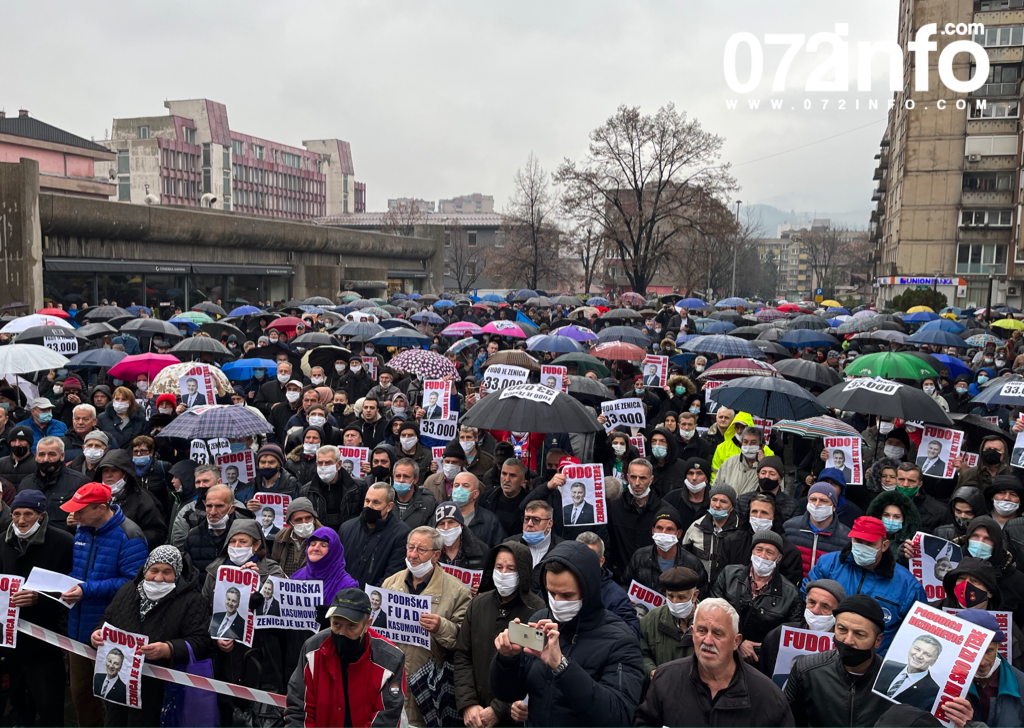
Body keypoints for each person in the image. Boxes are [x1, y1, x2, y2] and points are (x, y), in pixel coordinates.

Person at [491, 541, 645, 727]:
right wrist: (507, 660)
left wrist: (562, 666)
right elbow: (508, 692)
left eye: (567, 595)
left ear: (588, 591)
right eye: (551, 593)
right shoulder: (541, 620)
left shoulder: (621, 641)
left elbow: (619, 716)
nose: (557, 602)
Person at [89, 545, 210, 727]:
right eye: (154, 570)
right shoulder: (128, 590)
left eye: (167, 572)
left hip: (159, 692)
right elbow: (107, 619)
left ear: (177, 573)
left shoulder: (192, 600)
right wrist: (97, 634)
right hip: (120, 688)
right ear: (146, 569)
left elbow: (201, 641)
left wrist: (169, 649)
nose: (159, 577)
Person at [61, 482, 149, 728]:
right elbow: (81, 571)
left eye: (81, 510)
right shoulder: (83, 530)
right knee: (81, 696)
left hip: (108, 631)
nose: (75, 515)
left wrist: (86, 590)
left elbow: (132, 584)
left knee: (110, 701)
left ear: (100, 509)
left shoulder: (130, 536)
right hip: (78, 628)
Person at [634, 597, 794, 727]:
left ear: (736, 641)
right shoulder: (665, 679)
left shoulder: (769, 698)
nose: (708, 640)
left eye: (718, 633)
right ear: (692, 633)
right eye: (701, 631)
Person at [382, 526, 471, 727]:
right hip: (390, 683)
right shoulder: (390, 584)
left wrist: (441, 626)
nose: (413, 555)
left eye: (421, 550)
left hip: (428, 688)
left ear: (436, 555)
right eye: (410, 548)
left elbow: (464, 642)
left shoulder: (457, 591)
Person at [1, 489, 74, 727]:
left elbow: (72, 589)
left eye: (28, 514)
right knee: (17, 699)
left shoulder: (63, 543)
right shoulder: (2, 541)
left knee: (48, 701)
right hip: (10, 636)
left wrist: (40, 598)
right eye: (16, 514)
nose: (21, 520)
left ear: (41, 516)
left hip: (45, 637)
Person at [284, 588, 407, 728]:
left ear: (367, 624)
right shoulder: (312, 650)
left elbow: (386, 718)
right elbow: (298, 708)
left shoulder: (390, 660)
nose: (342, 633)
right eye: (336, 624)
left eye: (351, 626)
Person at [805, 516, 928, 653]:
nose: (862, 548)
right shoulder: (828, 565)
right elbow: (806, 598)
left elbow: (917, 633)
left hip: (874, 660)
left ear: (884, 545)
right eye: (858, 541)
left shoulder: (908, 586)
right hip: (824, 653)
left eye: (869, 544)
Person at [453, 542, 544, 727]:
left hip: (515, 718)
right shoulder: (478, 604)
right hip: (475, 715)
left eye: (511, 568)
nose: (503, 573)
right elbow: (463, 655)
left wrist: (499, 709)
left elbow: (536, 670)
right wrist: (468, 704)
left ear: (523, 571)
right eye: (499, 567)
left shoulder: (538, 611)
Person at [783, 594, 894, 727]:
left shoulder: (894, 681)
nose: (848, 640)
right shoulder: (806, 671)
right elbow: (788, 721)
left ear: (877, 641)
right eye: (842, 630)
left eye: (859, 634)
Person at [710, 530, 804, 665]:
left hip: (761, 661)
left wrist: (761, 648)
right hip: (724, 652)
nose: (763, 556)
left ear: (778, 558)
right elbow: (713, 612)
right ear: (752, 552)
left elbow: (789, 638)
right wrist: (739, 642)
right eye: (759, 550)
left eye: (769, 552)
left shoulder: (791, 594)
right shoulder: (728, 575)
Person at [758, 578, 846, 680]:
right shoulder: (780, 634)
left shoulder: (844, 644)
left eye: (825, 606)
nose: (815, 610)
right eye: (812, 602)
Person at [337, 482, 411, 587]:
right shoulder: (347, 528)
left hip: (377, 595)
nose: (369, 506)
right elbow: (337, 565)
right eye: (367, 501)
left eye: (376, 502)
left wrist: (372, 594)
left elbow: (393, 575)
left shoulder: (401, 534)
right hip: (344, 593)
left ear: (389, 506)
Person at [625, 504, 708, 596]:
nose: (664, 533)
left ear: (679, 533)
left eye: (670, 529)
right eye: (659, 528)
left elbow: (702, 594)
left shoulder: (692, 564)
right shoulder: (639, 557)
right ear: (653, 530)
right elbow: (625, 584)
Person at [961, 608, 1022, 726]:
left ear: (999, 645)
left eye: (988, 651)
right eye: (973, 653)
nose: (982, 662)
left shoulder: (1021, 685)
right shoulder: (939, 686)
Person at [576, 531, 642, 638]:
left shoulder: (617, 597)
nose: (583, 562)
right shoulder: (559, 584)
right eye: (579, 556)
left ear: (601, 561)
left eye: (590, 558)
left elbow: (631, 634)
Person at [639, 566, 701, 678]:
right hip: (661, 684)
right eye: (670, 596)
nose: (674, 602)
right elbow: (641, 652)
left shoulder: (708, 621)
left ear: (694, 595)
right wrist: (651, 671)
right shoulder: (652, 620)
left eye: (681, 597)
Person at [19, 435, 89, 531]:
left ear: (62, 456)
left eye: (52, 454)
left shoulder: (79, 482)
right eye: (41, 454)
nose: (46, 459)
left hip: (65, 538)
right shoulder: (26, 483)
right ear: (36, 456)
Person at [680, 482, 745, 585]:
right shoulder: (696, 527)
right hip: (699, 586)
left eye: (723, 501)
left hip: (728, 589)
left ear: (732, 507)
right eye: (714, 500)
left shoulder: (740, 531)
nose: (717, 505)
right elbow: (683, 558)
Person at [783, 482, 851, 578]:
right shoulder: (789, 528)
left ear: (834, 506)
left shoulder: (846, 537)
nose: (817, 504)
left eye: (823, 501)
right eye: (813, 499)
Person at [291, 527, 359, 605]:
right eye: (312, 544)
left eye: (323, 545)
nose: (316, 548)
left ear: (333, 551)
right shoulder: (296, 577)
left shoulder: (347, 586)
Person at [876, 635, 943, 710]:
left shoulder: (933, 691)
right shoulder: (887, 666)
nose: (919, 656)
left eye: (927, 654)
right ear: (910, 649)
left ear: (933, 661)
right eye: (917, 649)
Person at [433, 501, 488, 583]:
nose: (446, 527)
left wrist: (481, 588)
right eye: (441, 523)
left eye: (451, 522)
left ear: (461, 525)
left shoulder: (482, 550)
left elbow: (489, 582)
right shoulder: (428, 550)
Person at [450, 471, 505, 547]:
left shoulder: (490, 521)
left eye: (465, 486)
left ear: (475, 494)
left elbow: (499, 548)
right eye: (456, 485)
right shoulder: (442, 515)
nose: (459, 489)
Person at [271, 497, 321, 576]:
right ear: (290, 524)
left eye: (308, 518)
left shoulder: (325, 538)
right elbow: (274, 566)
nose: (304, 523)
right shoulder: (280, 538)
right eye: (299, 519)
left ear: (314, 519)